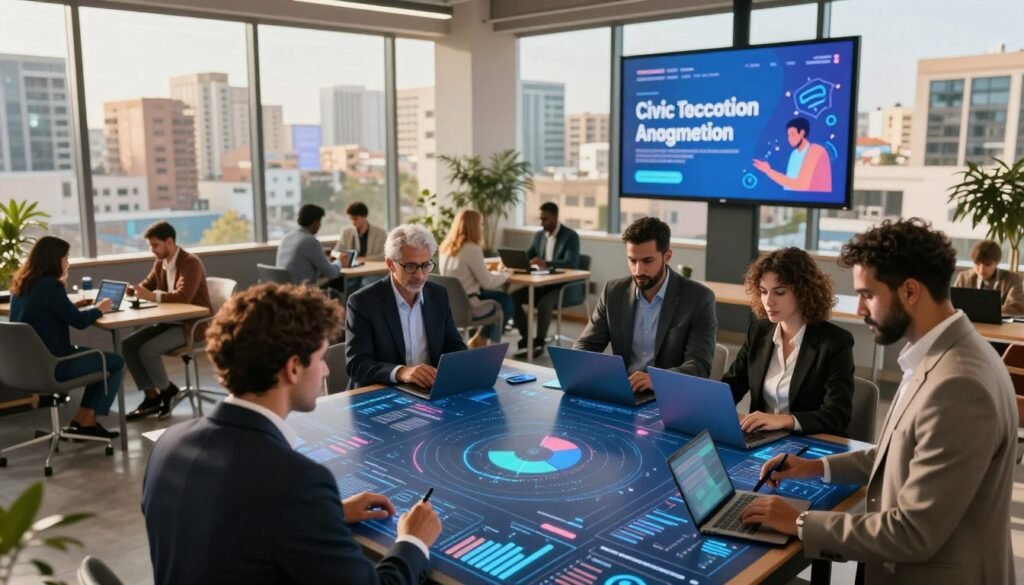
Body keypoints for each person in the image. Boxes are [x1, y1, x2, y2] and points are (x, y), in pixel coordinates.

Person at [740, 219, 1016, 585]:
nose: (859, 309)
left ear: (911, 291)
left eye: (867, 295)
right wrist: (813, 467)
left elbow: (913, 532)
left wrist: (799, 522)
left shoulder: (959, 383)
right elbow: (896, 455)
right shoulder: (938, 356)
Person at [142, 283, 441, 585]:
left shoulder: (168, 444)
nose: (326, 371)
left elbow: (233, 522)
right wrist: (413, 541)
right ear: (293, 368)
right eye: (322, 358)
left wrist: (325, 515)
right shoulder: (297, 482)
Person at [574, 217, 717, 392]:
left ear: (667, 256)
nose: (638, 270)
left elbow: (699, 365)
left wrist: (656, 380)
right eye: (632, 260)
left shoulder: (698, 298)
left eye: (647, 261)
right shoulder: (613, 292)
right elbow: (586, 346)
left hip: (668, 394)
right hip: (625, 391)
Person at [721, 247, 854, 436]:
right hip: (761, 438)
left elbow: (837, 416)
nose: (769, 301)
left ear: (803, 292)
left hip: (808, 441)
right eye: (763, 291)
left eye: (780, 292)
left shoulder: (835, 342)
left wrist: (786, 420)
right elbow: (731, 386)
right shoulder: (758, 331)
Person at [9, 236, 125, 439]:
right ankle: (87, 420)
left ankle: (83, 420)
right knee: (115, 362)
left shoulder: (22, 285)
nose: (68, 263)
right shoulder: (50, 285)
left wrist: (73, 306)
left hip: (25, 367)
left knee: (99, 360)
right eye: (66, 258)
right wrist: (100, 309)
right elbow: (79, 322)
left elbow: (44, 310)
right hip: (55, 365)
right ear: (55, 259)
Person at [346, 224, 467, 389]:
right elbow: (357, 364)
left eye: (425, 265)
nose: (419, 275)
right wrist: (401, 372)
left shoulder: (438, 295)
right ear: (390, 264)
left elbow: (454, 345)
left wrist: (463, 364)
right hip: (383, 391)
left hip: (427, 389)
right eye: (410, 266)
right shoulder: (362, 302)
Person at [124, 221, 211, 420]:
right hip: (169, 322)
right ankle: (152, 397)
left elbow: (184, 296)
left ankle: (168, 391)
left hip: (191, 325)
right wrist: (134, 290)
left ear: (169, 242)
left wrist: (152, 296)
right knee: (128, 345)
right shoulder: (160, 263)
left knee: (147, 350)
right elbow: (148, 284)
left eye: (155, 245)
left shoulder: (190, 263)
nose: (152, 250)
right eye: (151, 246)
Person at [512, 202, 581, 357]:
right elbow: (529, 255)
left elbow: (571, 263)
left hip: (562, 286)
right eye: (541, 219)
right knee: (513, 297)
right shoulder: (539, 236)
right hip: (542, 284)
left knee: (544, 303)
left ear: (555, 217)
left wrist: (546, 263)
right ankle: (527, 339)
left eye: (545, 219)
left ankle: (539, 342)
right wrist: (518, 261)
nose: (541, 222)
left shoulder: (570, 236)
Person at [439, 209, 513, 348]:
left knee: (498, 298)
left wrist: (494, 274)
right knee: (506, 301)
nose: (482, 227)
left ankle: (480, 339)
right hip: (468, 305)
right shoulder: (472, 249)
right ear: (474, 226)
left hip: (450, 305)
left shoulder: (446, 247)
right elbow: (488, 283)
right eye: (481, 224)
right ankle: (483, 339)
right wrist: (506, 274)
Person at [753, 117, 832, 192]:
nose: (790, 138)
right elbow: (789, 184)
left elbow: (802, 186)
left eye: (793, 134)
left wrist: (769, 171)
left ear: (802, 133)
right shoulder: (794, 154)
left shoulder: (816, 151)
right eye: (788, 135)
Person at [953, 239, 1024, 316]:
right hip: (969, 321)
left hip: (1000, 323)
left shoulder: (1013, 280)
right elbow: (953, 304)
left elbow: (1016, 308)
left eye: (987, 264)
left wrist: (980, 311)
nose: (981, 270)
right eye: (977, 264)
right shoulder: (963, 277)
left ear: (997, 262)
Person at [276, 203, 342, 285]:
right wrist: (339, 262)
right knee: (336, 289)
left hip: (285, 289)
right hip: (302, 290)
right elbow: (332, 274)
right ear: (315, 222)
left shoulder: (286, 237)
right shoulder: (310, 241)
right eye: (319, 222)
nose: (320, 225)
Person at [333, 201, 387, 292]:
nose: (352, 222)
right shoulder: (346, 232)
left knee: (365, 284)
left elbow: (383, 256)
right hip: (353, 272)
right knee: (346, 285)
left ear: (364, 217)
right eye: (351, 218)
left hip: (373, 272)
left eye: (355, 218)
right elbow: (335, 251)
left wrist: (362, 259)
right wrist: (341, 256)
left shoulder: (380, 233)